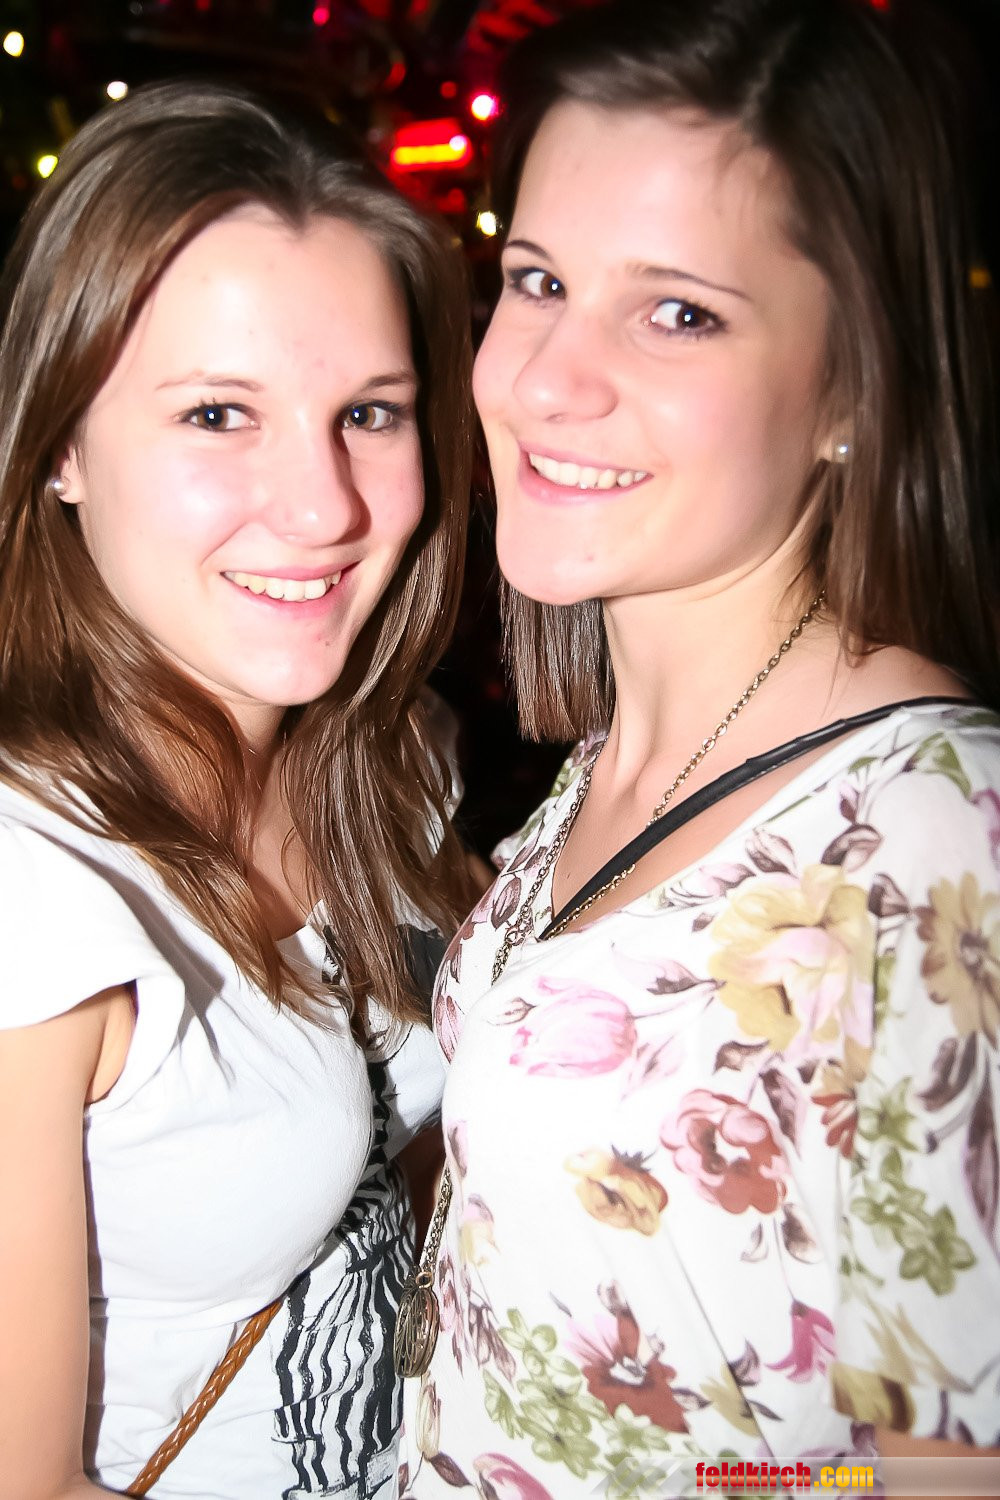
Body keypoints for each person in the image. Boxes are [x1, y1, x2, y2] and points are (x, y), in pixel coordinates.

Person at [398, 0, 1000, 1493]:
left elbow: (952, 1460)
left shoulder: (938, 839)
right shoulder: (605, 765)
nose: (546, 378)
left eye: (677, 314)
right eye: (537, 280)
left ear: (852, 387)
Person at [0, 80, 475, 1499]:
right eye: (219, 413)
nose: (325, 507)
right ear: (60, 445)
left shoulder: (393, 762)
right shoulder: (34, 890)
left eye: (369, 413)